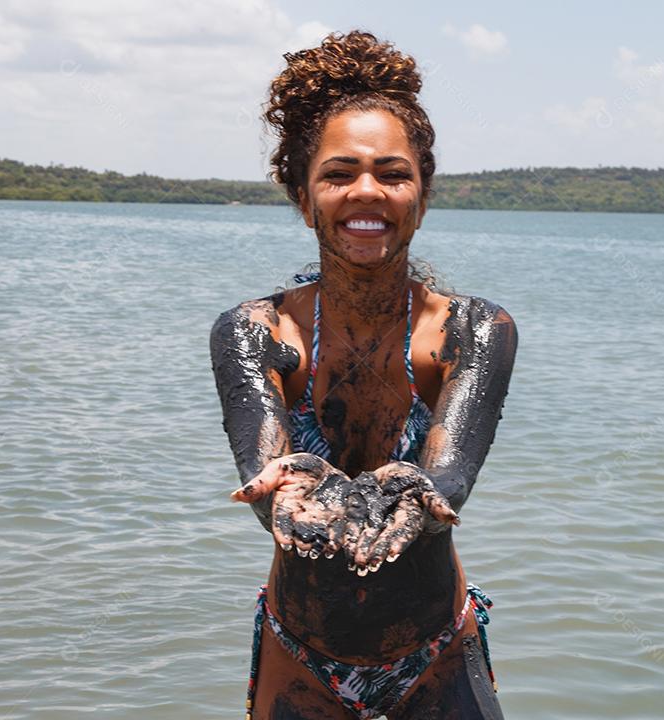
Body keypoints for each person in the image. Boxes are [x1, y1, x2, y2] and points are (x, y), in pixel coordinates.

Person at [210, 30, 517, 720]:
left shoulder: (472, 331)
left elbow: (448, 479)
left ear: (424, 192)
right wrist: (288, 488)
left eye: (393, 173)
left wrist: (413, 488)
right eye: (339, 173)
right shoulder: (255, 333)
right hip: (300, 656)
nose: (366, 192)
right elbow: (266, 486)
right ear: (302, 192)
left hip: (434, 650)